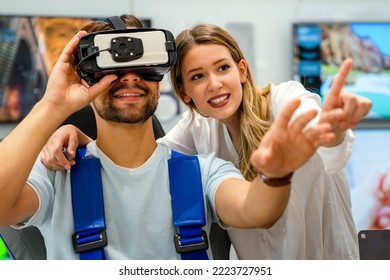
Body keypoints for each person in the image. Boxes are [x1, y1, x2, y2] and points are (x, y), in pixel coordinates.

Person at [0, 15, 335, 260]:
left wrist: (275, 174)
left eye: (143, 63)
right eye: (112, 68)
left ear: (160, 79)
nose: (129, 78)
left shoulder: (201, 170)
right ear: (87, 79)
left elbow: (255, 210)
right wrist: (52, 107)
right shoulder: (57, 172)